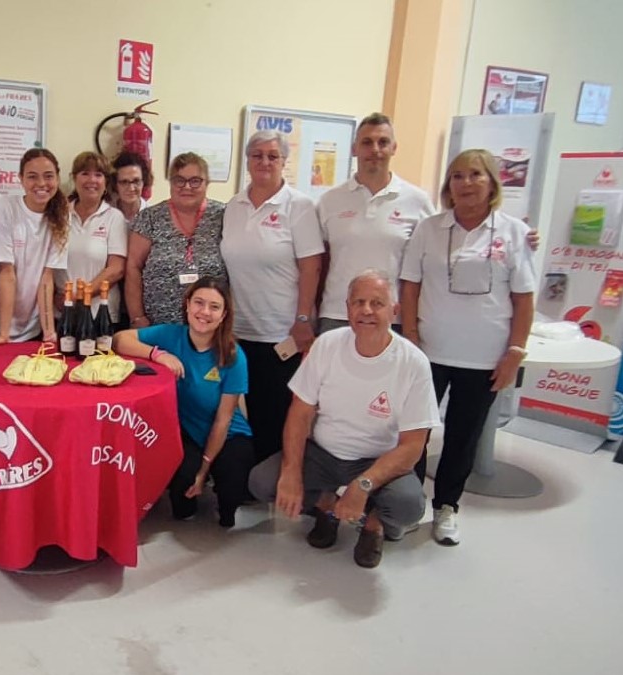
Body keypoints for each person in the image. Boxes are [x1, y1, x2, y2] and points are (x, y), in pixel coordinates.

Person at [248, 270, 440, 568]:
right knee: (262, 482)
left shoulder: (414, 363)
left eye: (377, 303)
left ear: (394, 310)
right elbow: (299, 413)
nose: (366, 310)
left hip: (376, 461)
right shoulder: (327, 345)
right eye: (358, 302)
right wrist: (291, 470)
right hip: (323, 455)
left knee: (408, 507)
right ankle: (328, 505)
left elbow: (413, 446)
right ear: (347, 308)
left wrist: (363, 484)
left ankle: (373, 524)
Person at [400, 149, 536, 547]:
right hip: (429, 351)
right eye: (457, 176)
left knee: (463, 436)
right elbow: (410, 286)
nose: (466, 183)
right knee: (414, 432)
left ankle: (447, 506)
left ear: (492, 182)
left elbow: (524, 298)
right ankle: (408, 504)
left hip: (484, 356)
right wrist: (410, 336)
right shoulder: (429, 229)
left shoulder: (513, 232)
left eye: (475, 175)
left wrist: (515, 352)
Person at [114, 276, 254, 527]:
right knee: (182, 505)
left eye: (214, 307)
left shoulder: (233, 356)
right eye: (199, 303)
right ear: (187, 305)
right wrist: (157, 354)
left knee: (230, 500)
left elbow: (223, 421)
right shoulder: (170, 335)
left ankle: (222, 496)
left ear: (224, 315)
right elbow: (120, 340)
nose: (205, 312)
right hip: (188, 432)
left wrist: (204, 469)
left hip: (228, 433)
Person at [221, 130, 325, 462]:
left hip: (281, 332)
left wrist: (303, 319)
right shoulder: (234, 206)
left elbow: (311, 268)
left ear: (283, 161)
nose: (264, 162)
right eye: (257, 155)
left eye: (272, 156)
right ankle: (253, 476)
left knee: (278, 413)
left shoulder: (299, 206)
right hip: (240, 330)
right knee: (246, 408)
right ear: (247, 160)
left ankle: (278, 478)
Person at [316, 113, 434, 333]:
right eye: (367, 142)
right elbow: (319, 264)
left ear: (394, 148)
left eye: (383, 142)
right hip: (337, 316)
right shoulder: (329, 201)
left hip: (391, 319)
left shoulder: (417, 201)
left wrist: (412, 328)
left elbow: (425, 269)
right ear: (354, 148)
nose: (375, 149)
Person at [125, 152, 227, 328]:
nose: (186, 187)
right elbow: (133, 268)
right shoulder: (149, 218)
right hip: (157, 328)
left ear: (207, 183)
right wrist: (137, 317)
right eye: (179, 180)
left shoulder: (223, 216)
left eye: (195, 181)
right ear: (171, 183)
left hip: (211, 328)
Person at [0, 148, 68, 342]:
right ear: (21, 179)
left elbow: (46, 278)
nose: (41, 183)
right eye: (32, 176)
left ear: (57, 178)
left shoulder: (62, 215)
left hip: (33, 328)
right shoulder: (5, 207)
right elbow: (7, 273)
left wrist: (49, 332)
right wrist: (4, 333)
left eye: (48, 176)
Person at [62, 151, 128, 326]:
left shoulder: (114, 217)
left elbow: (116, 269)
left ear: (106, 182)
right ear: (74, 178)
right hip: (63, 313)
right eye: (85, 173)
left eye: (98, 175)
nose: (92, 180)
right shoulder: (60, 215)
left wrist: (78, 296)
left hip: (101, 315)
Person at [110, 151, 150, 224]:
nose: (131, 188)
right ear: (115, 184)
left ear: (144, 182)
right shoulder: (106, 213)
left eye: (136, 181)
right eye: (124, 182)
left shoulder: (152, 217)